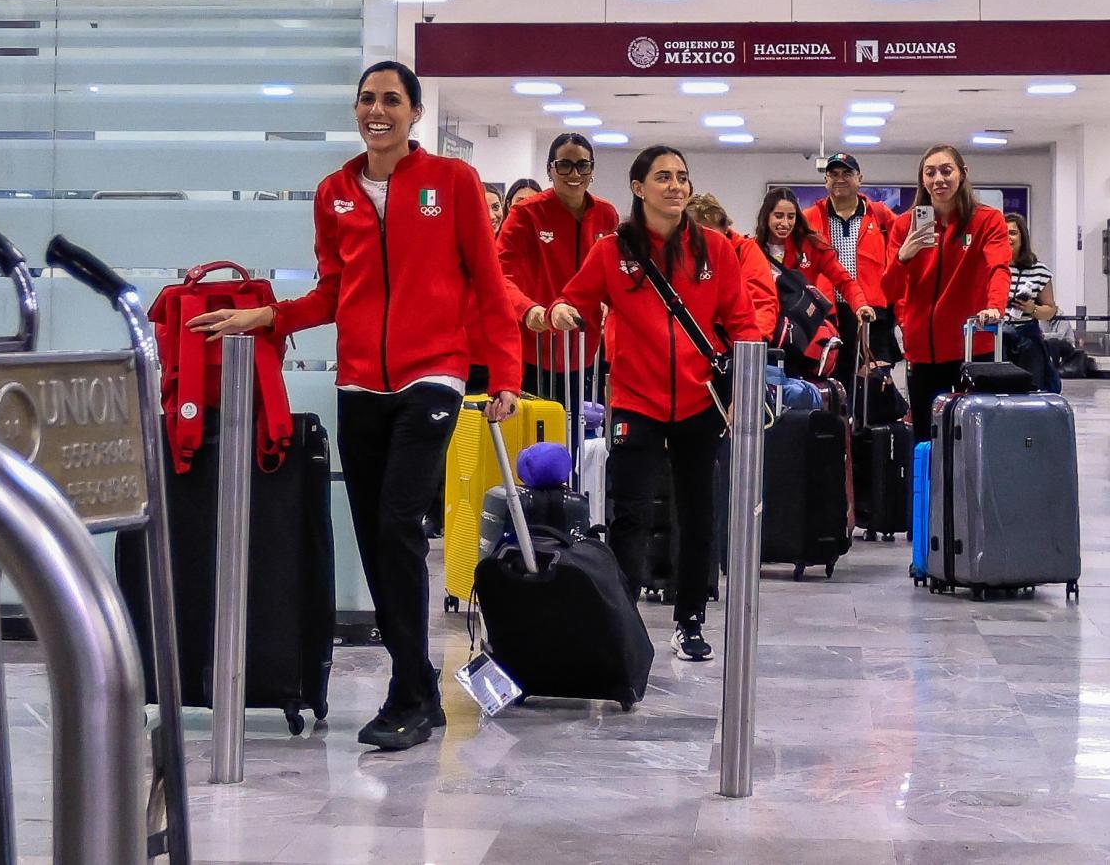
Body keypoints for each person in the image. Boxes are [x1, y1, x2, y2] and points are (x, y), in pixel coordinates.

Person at [188, 60, 520, 752]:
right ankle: (419, 682)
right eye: (367, 98)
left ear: (414, 113)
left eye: (392, 99)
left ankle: (407, 687)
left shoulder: (451, 183)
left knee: (400, 521)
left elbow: (488, 285)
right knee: (374, 534)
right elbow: (333, 291)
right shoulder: (334, 191)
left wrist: (506, 374)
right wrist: (267, 316)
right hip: (360, 383)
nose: (377, 109)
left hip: (435, 376)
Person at [551, 146, 762, 662]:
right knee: (631, 515)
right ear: (639, 188)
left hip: (699, 402)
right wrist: (557, 311)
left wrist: (742, 396)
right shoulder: (611, 250)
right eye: (663, 177)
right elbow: (574, 299)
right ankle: (621, 619)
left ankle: (689, 619)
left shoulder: (714, 249)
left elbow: (743, 325)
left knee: (699, 516)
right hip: (635, 401)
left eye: (683, 177)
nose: (676, 186)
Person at [882, 144, 1013, 445]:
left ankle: (970, 493)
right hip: (923, 354)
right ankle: (928, 493)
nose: (938, 179)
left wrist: (995, 307)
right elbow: (888, 290)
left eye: (946, 170)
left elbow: (999, 268)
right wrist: (903, 256)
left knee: (972, 439)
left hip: (971, 348)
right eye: (930, 173)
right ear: (922, 180)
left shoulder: (986, 221)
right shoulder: (905, 226)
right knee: (926, 439)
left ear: (962, 174)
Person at [498, 132, 619, 399]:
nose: (574, 173)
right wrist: (529, 311)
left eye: (582, 165)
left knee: (580, 431)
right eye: (564, 164)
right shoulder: (526, 214)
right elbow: (500, 275)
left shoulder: (605, 214)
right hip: (534, 347)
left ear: (592, 170)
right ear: (550, 170)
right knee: (536, 434)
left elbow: (613, 277)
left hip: (586, 349)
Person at [744, 187, 874, 373]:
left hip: (804, 337)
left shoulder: (812, 245)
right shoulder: (751, 249)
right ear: (766, 216)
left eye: (791, 216)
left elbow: (844, 281)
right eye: (778, 216)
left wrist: (860, 305)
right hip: (765, 334)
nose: (785, 223)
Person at [805, 152, 901, 400]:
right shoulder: (810, 219)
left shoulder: (880, 216)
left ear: (860, 178)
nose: (840, 179)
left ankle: (871, 437)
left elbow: (900, 263)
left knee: (875, 388)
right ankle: (839, 436)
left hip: (873, 316)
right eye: (833, 174)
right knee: (834, 385)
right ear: (825, 180)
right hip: (830, 315)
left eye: (847, 173)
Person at [689, 192, 779, 339]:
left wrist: (753, 345)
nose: (708, 244)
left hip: (734, 347)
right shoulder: (677, 253)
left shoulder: (744, 250)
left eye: (713, 236)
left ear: (725, 229)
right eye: (700, 238)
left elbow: (762, 302)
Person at [1000, 211, 1062, 393]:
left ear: (1023, 236)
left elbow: (1050, 310)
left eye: (1012, 233)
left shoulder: (1039, 270)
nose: (1007, 238)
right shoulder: (990, 266)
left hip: (1027, 337)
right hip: (997, 337)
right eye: (1002, 233)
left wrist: (1032, 308)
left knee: (1032, 389)